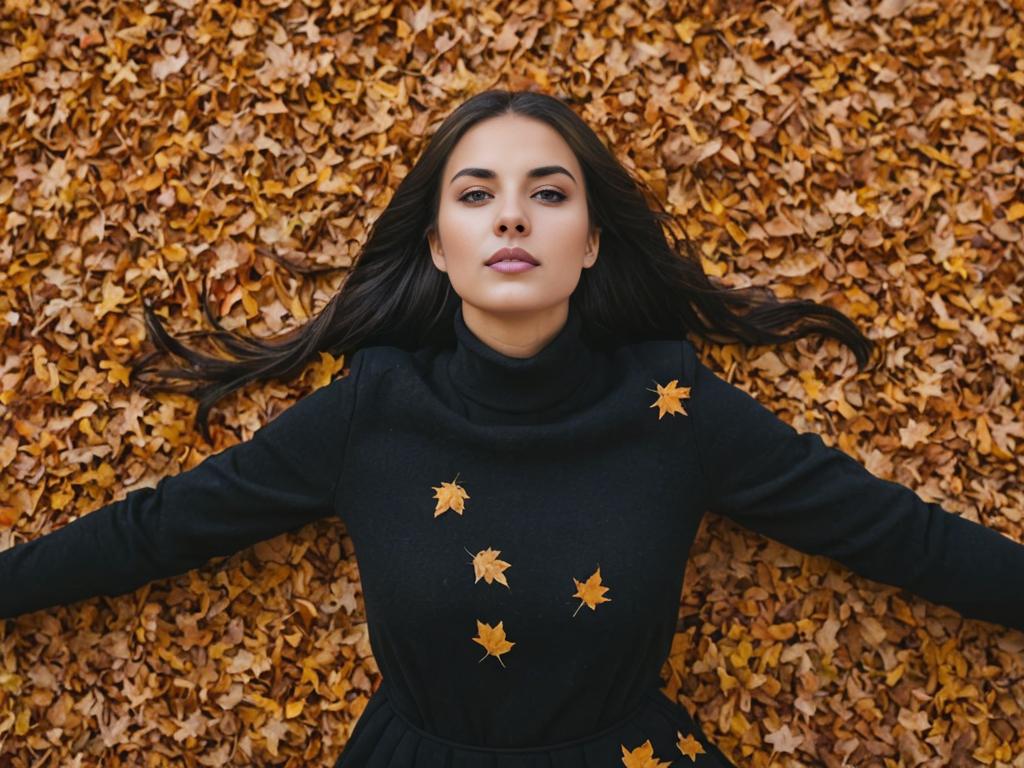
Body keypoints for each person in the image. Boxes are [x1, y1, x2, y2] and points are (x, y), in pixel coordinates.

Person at [1, 89, 1021, 767]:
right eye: (476, 193)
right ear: (438, 246)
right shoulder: (370, 413)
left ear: (588, 244)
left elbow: (901, 538)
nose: (512, 217)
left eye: (548, 193)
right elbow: (153, 532)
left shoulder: (677, 410)